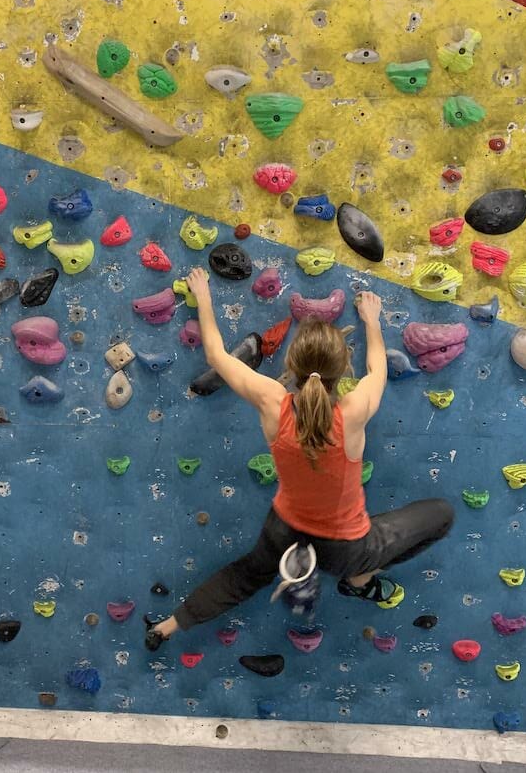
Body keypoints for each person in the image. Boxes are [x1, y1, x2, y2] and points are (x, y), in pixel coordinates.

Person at [146, 268, 455, 650]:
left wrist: (203, 294)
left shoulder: (272, 403)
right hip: (344, 549)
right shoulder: (354, 410)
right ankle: (360, 581)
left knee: (247, 574)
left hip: (284, 531)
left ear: (291, 366)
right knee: (441, 514)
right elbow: (378, 368)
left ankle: (166, 626)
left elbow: (217, 354)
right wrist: (372, 321)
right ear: (342, 371)